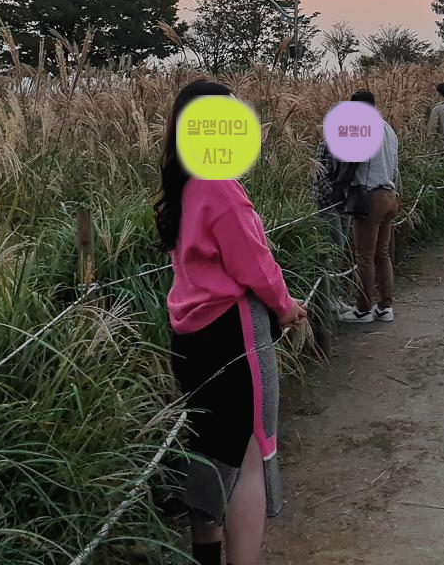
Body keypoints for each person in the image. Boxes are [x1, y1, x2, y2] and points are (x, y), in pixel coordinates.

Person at [157, 78, 307, 565]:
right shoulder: (219, 186)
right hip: (233, 335)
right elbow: (254, 264)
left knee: (209, 453)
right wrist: (286, 307)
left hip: (191, 339)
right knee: (248, 458)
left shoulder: (185, 185)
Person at [337, 89, 400, 325]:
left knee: (364, 256)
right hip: (390, 195)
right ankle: (385, 306)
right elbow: (395, 166)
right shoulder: (388, 129)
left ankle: (363, 310)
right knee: (382, 254)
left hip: (369, 197)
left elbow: (353, 160)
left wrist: (339, 185)